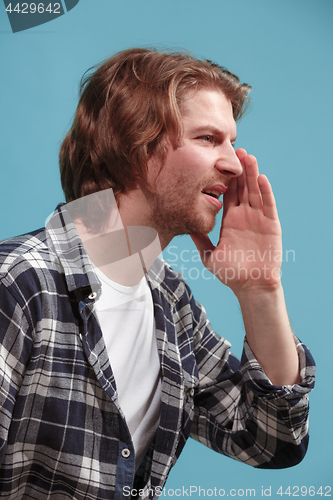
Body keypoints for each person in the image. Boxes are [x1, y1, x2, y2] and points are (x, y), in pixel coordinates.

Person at [0, 48, 315, 499]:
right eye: (208, 138)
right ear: (134, 146)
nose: (234, 163)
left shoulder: (170, 301)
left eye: (230, 140)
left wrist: (259, 289)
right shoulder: (19, 281)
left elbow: (273, 441)